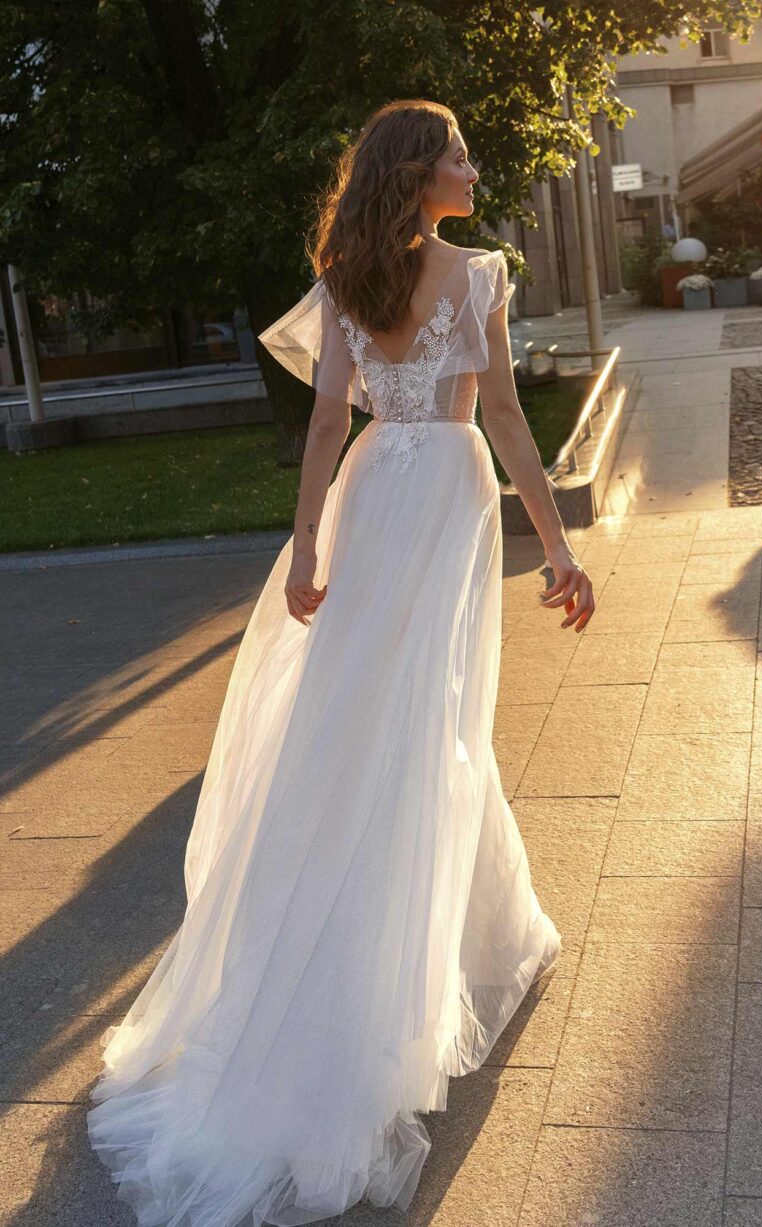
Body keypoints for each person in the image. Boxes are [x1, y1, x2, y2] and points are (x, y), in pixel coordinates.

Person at [86, 98, 596, 1226]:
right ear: (418, 173)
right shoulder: (477, 275)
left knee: (368, 722)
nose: (471, 164)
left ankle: (414, 933)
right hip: (448, 494)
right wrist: (556, 548)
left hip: (374, 497)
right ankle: (394, 971)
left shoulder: (347, 278)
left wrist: (308, 541)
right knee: (431, 722)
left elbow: (328, 428)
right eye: (457, 153)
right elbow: (504, 415)